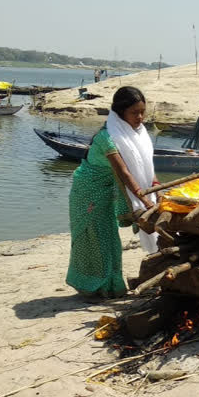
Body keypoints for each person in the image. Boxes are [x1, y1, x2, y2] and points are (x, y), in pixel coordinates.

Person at [66, 86, 159, 297]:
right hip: (88, 193)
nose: (140, 117)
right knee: (93, 239)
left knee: (109, 239)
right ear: (119, 112)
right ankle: (91, 287)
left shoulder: (139, 135)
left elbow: (148, 170)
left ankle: (110, 287)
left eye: (142, 111)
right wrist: (147, 203)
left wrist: (159, 193)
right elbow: (125, 173)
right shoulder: (107, 138)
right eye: (134, 112)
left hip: (107, 192)